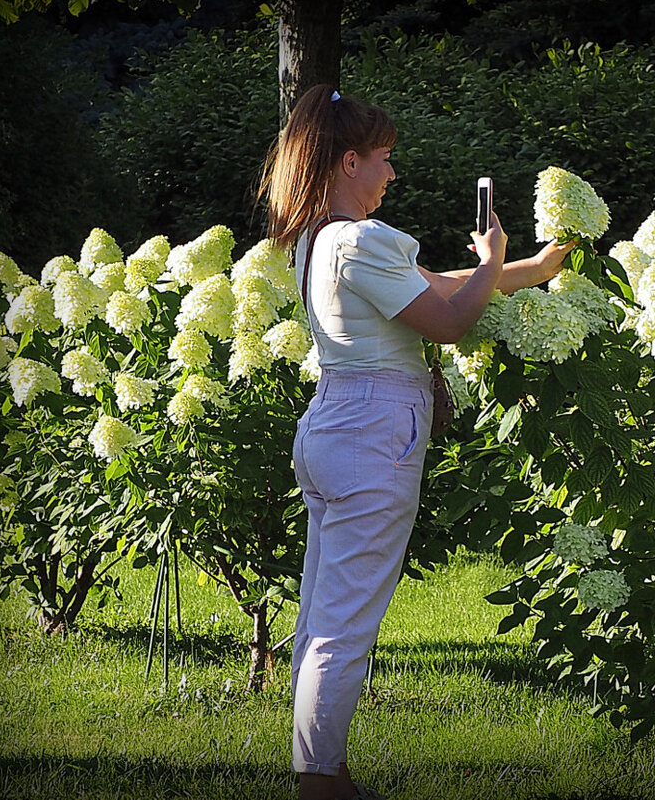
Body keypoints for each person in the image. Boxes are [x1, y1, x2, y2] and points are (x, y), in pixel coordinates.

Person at [259, 83, 575, 800]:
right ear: (347, 162)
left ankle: (326, 770)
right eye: (384, 158)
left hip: (336, 425)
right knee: (343, 625)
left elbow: (437, 286)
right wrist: (493, 256)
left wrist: (531, 269)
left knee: (322, 616)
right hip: (373, 434)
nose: (392, 174)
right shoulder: (361, 240)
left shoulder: (318, 241)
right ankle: (320, 784)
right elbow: (450, 320)